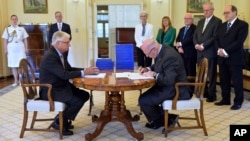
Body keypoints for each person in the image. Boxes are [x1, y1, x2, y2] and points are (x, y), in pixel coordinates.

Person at [39, 31, 99, 135]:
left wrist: (86, 70)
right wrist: (84, 72)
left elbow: (69, 69)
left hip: (60, 87)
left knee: (84, 95)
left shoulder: (59, 54)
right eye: (67, 42)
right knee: (77, 100)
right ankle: (59, 122)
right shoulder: (51, 56)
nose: (69, 45)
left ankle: (62, 119)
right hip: (50, 90)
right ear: (58, 43)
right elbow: (64, 75)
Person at [138, 39, 191, 132]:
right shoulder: (162, 50)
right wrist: (147, 69)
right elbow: (159, 65)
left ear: (154, 49)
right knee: (143, 99)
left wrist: (154, 74)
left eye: (147, 53)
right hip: (167, 86)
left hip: (176, 88)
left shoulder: (169, 55)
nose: (147, 56)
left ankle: (168, 120)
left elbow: (169, 80)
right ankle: (162, 120)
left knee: (144, 100)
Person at [214, 5, 249, 110]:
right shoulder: (222, 25)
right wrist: (219, 50)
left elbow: (239, 42)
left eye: (227, 12)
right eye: (224, 13)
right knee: (224, 80)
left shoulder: (242, 25)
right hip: (222, 58)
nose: (225, 15)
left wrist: (225, 51)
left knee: (237, 81)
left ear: (234, 12)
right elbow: (216, 39)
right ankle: (225, 99)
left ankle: (238, 102)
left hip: (235, 58)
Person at [193, 2, 222, 102]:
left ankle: (212, 94)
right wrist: (196, 44)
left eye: (207, 10)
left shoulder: (217, 21)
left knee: (211, 74)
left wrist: (203, 45)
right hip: (199, 52)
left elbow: (214, 37)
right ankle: (203, 92)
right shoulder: (200, 21)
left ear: (212, 10)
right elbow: (195, 35)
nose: (205, 12)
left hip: (210, 51)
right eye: (204, 10)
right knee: (200, 73)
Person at [2, 15, 29, 86]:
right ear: (10, 20)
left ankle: (21, 80)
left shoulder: (22, 29)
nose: (14, 20)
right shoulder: (7, 29)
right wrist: (5, 49)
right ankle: (16, 80)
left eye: (15, 19)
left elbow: (25, 39)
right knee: (13, 65)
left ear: (17, 20)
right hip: (11, 48)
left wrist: (26, 48)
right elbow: (5, 40)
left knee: (21, 64)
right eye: (12, 19)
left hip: (20, 47)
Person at [176, 13, 197, 77]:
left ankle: (191, 86)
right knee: (183, 71)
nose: (186, 20)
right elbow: (177, 39)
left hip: (190, 54)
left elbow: (192, 39)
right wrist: (179, 47)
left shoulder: (195, 28)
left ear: (192, 20)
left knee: (190, 72)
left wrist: (181, 44)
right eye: (185, 18)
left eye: (188, 18)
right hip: (181, 53)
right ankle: (184, 85)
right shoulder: (182, 29)